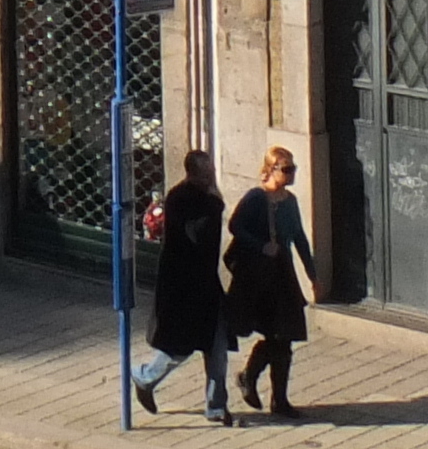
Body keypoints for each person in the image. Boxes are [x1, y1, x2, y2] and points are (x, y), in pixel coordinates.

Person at [131, 149, 231, 422]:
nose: (211, 174)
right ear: (194, 172)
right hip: (186, 288)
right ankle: (145, 377)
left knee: (217, 350)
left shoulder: (202, 198)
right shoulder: (183, 199)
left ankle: (216, 406)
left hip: (208, 286)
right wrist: (214, 198)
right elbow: (197, 234)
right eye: (206, 170)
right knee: (180, 348)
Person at [226, 145, 320, 416]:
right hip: (259, 278)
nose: (291, 174)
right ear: (270, 170)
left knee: (285, 337)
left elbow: (299, 238)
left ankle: (277, 397)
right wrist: (260, 245)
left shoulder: (289, 202)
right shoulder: (256, 198)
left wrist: (312, 276)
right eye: (286, 169)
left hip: (282, 275)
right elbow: (235, 226)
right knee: (276, 335)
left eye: (293, 169)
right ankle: (250, 378)